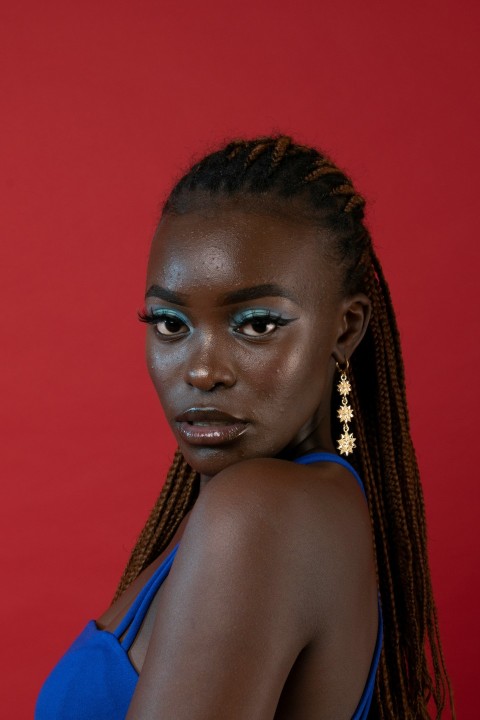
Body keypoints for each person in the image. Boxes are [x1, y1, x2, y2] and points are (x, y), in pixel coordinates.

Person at [35, 136, 455, 719]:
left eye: (256, 324)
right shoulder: (285, 508)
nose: (202, 370)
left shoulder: (261, 514)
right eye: (169, 322)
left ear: (345, 329)